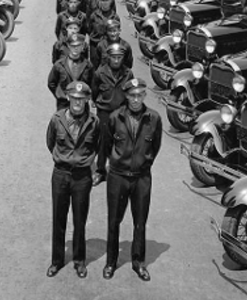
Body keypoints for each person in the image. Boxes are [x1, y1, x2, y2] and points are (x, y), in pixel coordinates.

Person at [95, 78, 162, 282]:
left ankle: (138, 263)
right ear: (126, 96)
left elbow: (155, 146)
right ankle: (111, 262)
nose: (135, 99)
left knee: (140, 222)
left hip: (141, 178)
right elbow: (105, 146)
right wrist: (114, 163)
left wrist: (144, 162)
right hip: (118, 177)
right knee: (114, 221)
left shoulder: (154, 118)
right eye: (132, 95)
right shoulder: (115, 118)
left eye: (139, 95)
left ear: (144, 95)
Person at [46, 81, 101, 279]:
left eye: (82, 99)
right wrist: (64, 158)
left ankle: (79, 261)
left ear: (87, 100)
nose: (78, 102)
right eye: (74, 98)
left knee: (80, 220)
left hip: (81, 176)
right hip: (60, 174)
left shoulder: (94, 122)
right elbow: (50, 142)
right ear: (68, 97)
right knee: (58, 218)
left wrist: (88, 165)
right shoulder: (57, 119)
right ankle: (57, 260)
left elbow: (98, 144)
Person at [91, 42, 134, 171]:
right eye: (113, 57)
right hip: (104, 112)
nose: (116, 60)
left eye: (119, 57)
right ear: (108, 57)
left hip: (121, 113)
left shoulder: (128, 74)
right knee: (103, 141)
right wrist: (98, 103)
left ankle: (117, 168)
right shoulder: (100, 73)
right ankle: (100, 170)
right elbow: (94, 91)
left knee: (121, 140)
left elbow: (131, 93)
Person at [48, 34, 94, 110]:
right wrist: (60, 95)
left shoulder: (88, 65)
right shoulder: (59, 65)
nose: (75, 48)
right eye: (73, 46)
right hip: (64, 103)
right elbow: (51, 83)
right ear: (68, 46)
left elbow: (93, 84)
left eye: (78, 46)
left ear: (82, 47)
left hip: (81, 102)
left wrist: (87, 96)